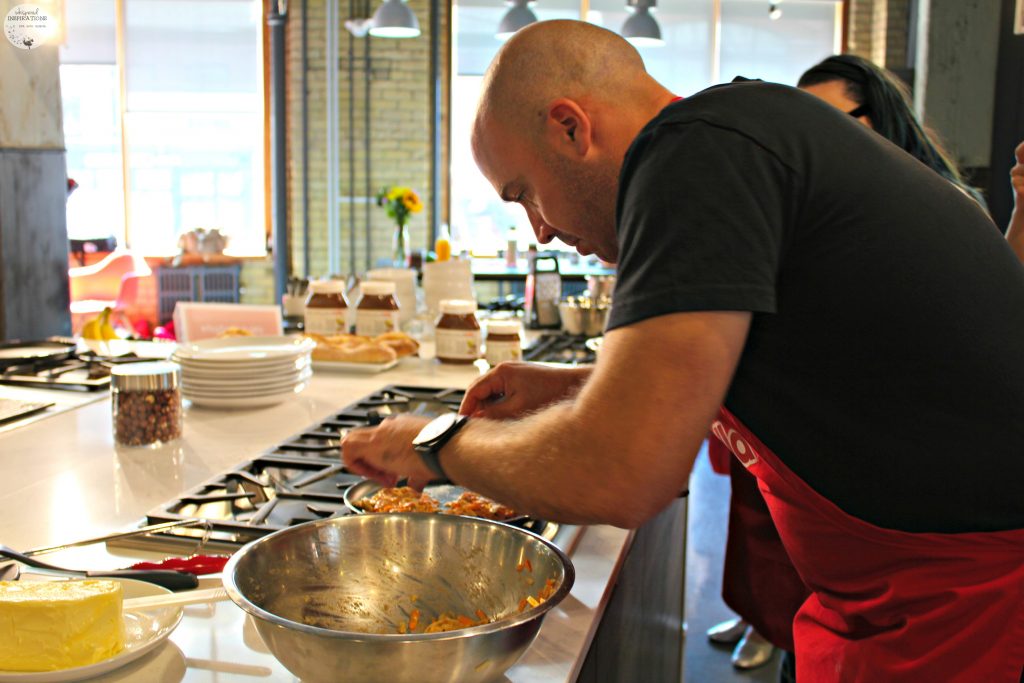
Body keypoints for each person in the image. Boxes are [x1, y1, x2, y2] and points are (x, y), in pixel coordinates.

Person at [342, 20, 1024, 682]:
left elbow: (622, 470)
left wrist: (435, 444)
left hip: (974, 609)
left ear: (571, 128)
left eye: (524, 194)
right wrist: (569, 386)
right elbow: (752, 356)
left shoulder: (693, 156)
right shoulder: (737, 132)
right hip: (900, 601)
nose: (540, 230)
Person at [704, 53, 1017, 674]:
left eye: (835, 121)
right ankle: (766, 622)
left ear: (878, 117)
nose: (813, 139)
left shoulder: (938, 206)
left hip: (917, 514)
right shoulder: (820, 213)